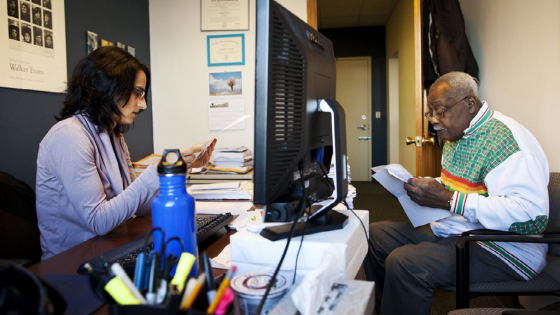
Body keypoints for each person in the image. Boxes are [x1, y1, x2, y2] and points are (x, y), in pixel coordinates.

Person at [369, 71, 549, 315]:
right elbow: (459, 186)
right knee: (372, 234)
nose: (433, 120)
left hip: (507, 248)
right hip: (460, 229)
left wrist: (449, 199)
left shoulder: (506, 141)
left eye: (440, 111)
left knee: (405, 263)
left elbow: (530, 217)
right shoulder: (458, 134)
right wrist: (417, 186)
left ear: (470, 104)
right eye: (429, 113)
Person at [36, 46, 217, 260]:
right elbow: (99, 221)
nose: (143, 104)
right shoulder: (69, 136)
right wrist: (156, 172)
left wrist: (178, 170)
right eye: (138, 93)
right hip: (70, 263)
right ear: (108, 86)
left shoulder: (113, 136)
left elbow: (138, 205)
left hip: (108, 249)